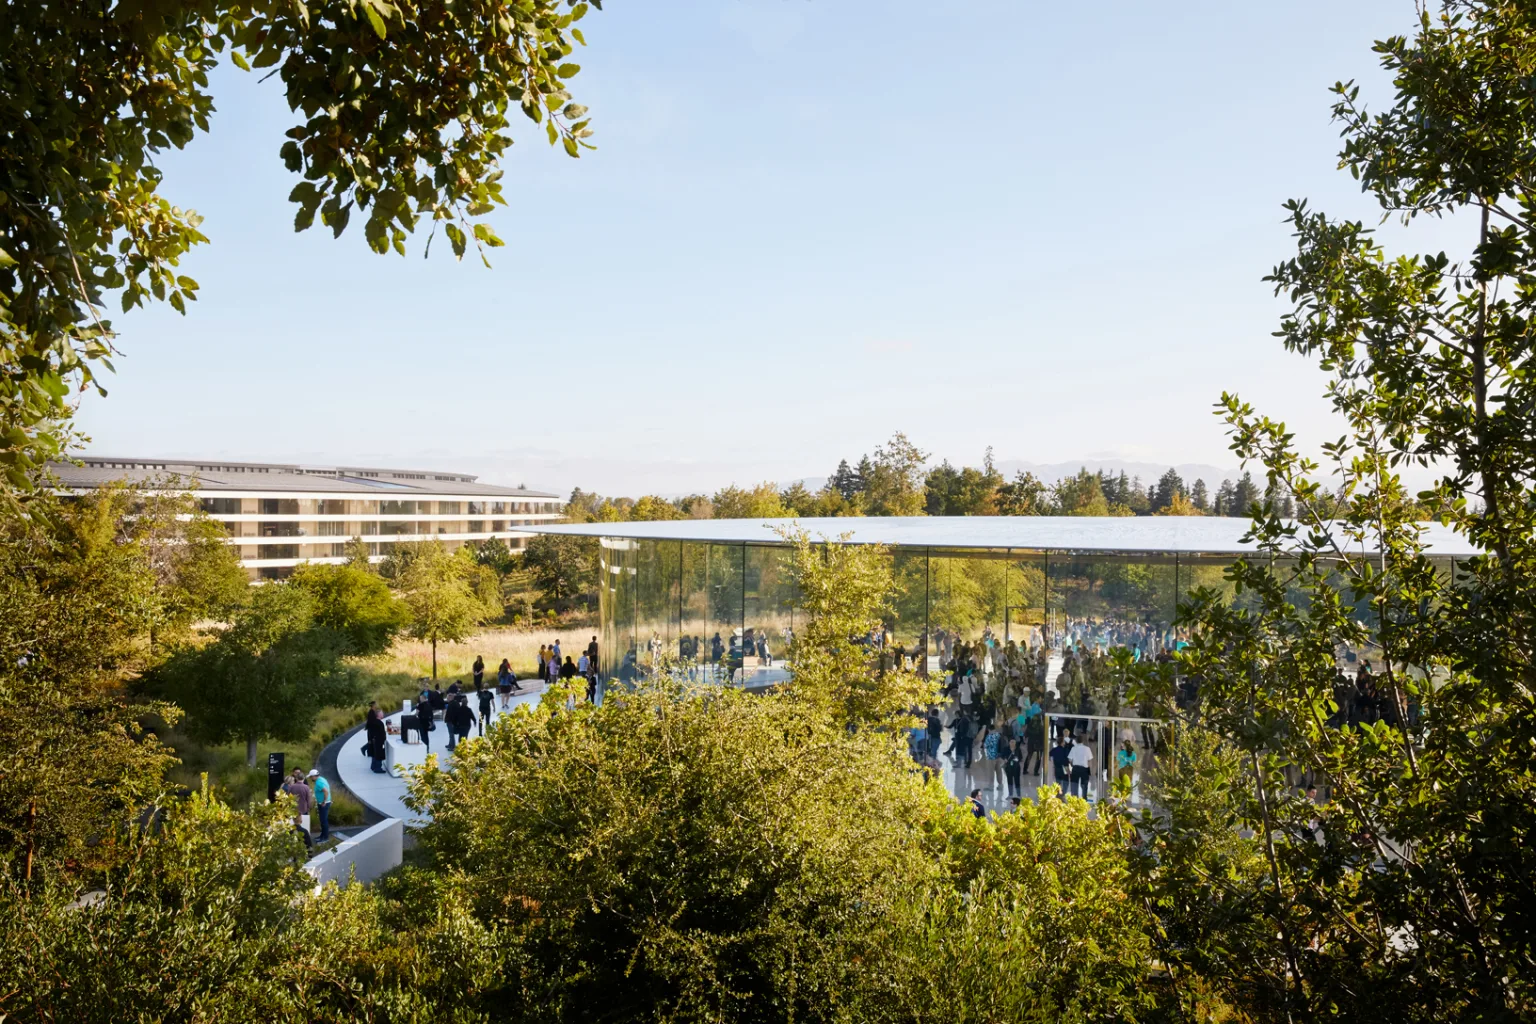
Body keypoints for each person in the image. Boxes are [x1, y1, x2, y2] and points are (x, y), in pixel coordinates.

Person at [282, 768, 313, 846]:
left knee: (294, 824)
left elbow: (288, 797)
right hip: (304, 808)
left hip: (294, 809)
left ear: (296, 778)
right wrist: (309, 807)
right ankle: (305, 839)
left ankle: (293, 840)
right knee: (303, 824)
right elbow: (308, 799)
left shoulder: (292, 787)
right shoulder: (306, 787)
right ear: (303, 778)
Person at [1068, 731, 1094, 800]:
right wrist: (1090, 770)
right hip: (1084, 769)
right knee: (1084, 785)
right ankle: (1084, 799)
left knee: (1074, 785)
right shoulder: (1087, 749)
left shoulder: (1073, 748)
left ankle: (1074, 799)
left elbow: (1070, 760)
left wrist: (1072, 766)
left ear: (1076, 741)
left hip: (1075, 768)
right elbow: (1090, 760)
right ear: (1083, 741)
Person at [308, 769, 332, 842]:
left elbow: (326, 791)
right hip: (325, 802)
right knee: (323, 820)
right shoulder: (322, 779)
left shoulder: (318, 783)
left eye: (311, 777)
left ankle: (325, 838)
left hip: (323, 803)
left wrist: (324, 801)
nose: (310, 778)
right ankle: (322, 836)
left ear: (314, 776)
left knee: (323, 821)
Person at [365, 708, 388, 774]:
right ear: (378, 715)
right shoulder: (379, 723)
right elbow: (382, 733)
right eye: (381, 713)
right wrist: (384, 740)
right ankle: (378, 768)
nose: (383, 714)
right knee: (378, 754)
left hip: (373, 740)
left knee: (374, 753)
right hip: (378, 741)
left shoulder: (372, 722)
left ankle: (373, 766)